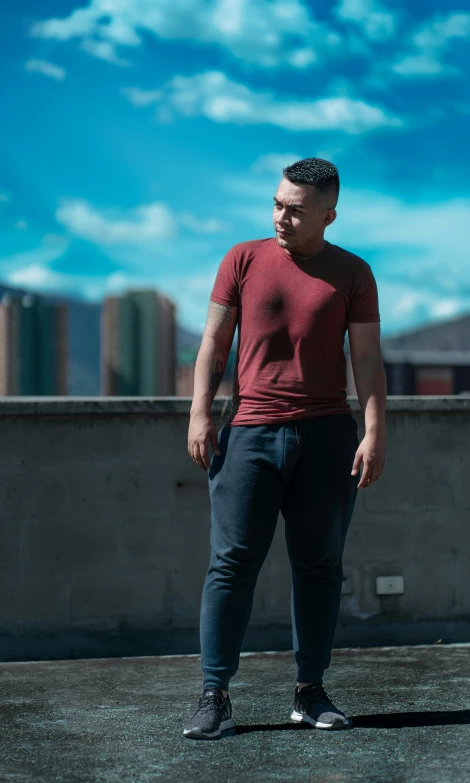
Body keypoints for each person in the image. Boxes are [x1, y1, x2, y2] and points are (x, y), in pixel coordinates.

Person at [184, 158, 386, 739]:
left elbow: (367, 360)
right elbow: (214, 344)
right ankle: (213, 695)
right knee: (231, 563)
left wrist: (375, 431)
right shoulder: (242, 259)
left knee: (320, 565)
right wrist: (200, 414)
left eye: (295, 209)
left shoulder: (353, 272)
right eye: (277, 204)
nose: (281, 217)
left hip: (327, 435)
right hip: (249, 432)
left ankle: (309, 691)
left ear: (329, 214)